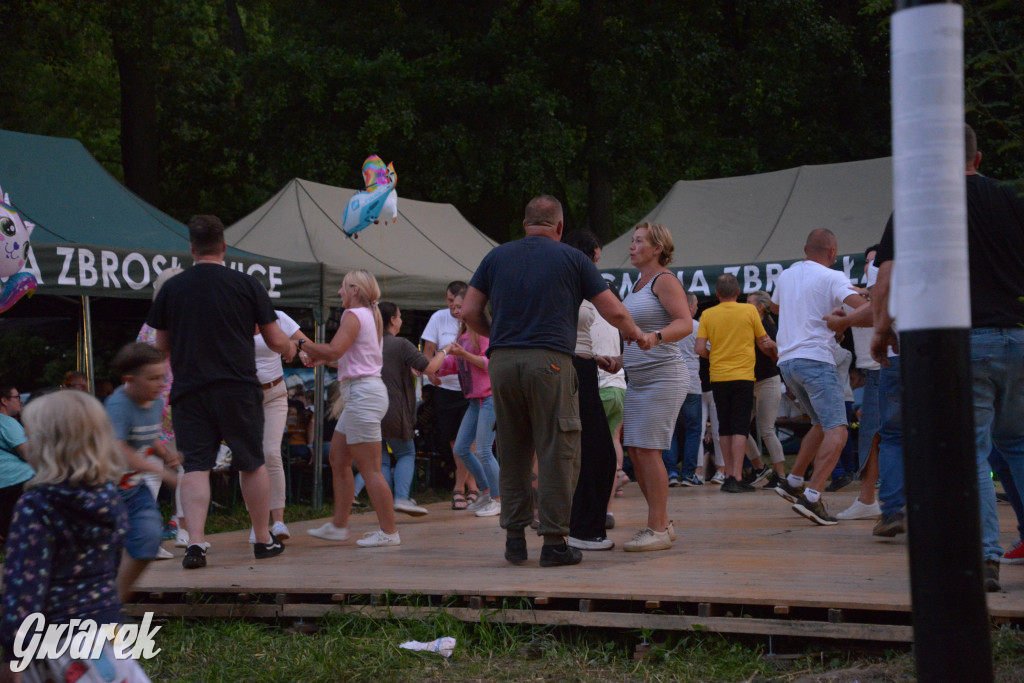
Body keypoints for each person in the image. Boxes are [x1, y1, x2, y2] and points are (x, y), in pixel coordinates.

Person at [461, 195, 645, 567]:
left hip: (502, 361)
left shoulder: (495, 257)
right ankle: (555, 543)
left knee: (512, 449)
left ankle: (514, 539)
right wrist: (638, 336)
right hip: (551, 363)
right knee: (557, 449)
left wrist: (498, 336)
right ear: (559, 227)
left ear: (524, 223)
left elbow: (468, 311)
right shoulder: (572, 258)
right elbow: (614, 310)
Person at [147, 214, 295, 569]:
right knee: (251, 462)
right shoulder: (247, 284)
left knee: (196, 466)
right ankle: (262, 539)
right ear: (224, 246)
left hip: (190, 390)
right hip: (238, 388)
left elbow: (161, 345)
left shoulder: (172, 288)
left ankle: (196, 544)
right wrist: (291, 350)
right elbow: (275, 340)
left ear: (192, 248)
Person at [1, 390, 150, 682]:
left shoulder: (37, 505)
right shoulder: (109, 496)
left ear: (45, 446)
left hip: (54, 646)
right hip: (106, 635)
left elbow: (23, 590)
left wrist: (12, 656)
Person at [771, 228, 868, 525]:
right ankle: (812, 498)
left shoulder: (786, 276)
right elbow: (864, 309)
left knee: (818, 423)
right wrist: (843, 319)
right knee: (838, 430)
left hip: (787, 362)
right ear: (832, 253)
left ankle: (793, 480)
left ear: (805, 249)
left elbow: (775, 306)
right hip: (816, 359)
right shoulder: (833, 277)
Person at [302, 270, 399, 547]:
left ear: (355, 290)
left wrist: (301, 343)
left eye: (343, 287)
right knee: (338, 459)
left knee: (370, 469)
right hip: (364, 392)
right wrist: (322, 359)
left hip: (362, 396)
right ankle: (339, 525)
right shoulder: (369, 315)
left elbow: (334, 351)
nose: (339, 292)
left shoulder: (353, 315)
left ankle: (389, 533)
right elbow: (348, 358)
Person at [619, 222, 693, 551]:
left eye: (639, 241)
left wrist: (657, 336)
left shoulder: (664, 280)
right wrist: (618, 359)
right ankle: (661, 522)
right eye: (632, 241)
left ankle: (658, 528)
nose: (632, 246)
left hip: (664, 375)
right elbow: (635, 332)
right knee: (637, 452)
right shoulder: (637, 285)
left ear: (657, 248)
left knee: (648, 451)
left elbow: (685, 323)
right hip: (638, 378)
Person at [105, 343, 182, 598]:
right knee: (104, 552)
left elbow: (148, 437)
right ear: (129, 380)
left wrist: (166, 455)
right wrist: (154, 468)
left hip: (134, 489)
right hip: (105, 492)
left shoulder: (156, 402)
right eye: (153, 378)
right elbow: (117, 447)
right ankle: (99, 605)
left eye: (163, 377)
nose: (161, 384)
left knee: (149, 540)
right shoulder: (118, 405)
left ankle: (114, 602)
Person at [561, 230, 617, 551]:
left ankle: (576, 524)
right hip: (572, 369)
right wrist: (638, 333)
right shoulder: (578, 279)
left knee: (589, 451)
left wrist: (596, 357)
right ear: (589, 254)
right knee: (597, 453)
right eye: (597, 258)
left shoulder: (569, 280)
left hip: (583, 366)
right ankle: (584, 528)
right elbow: (615, 313)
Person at [695, 274, 777, 493]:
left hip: (719, 376)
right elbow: (762, 342)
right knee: (740, 426)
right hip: (743, 375)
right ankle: (736, 475)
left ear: (718, 294)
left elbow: (699, 349)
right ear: (738, 293)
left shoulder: (708, 314)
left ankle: (727, 475)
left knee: (725, 425)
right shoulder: (749, 310)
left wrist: (714, 355)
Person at [379, 301, 446, 516]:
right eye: (399, 316)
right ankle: (401, 498)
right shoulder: (401, 344)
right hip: (394, 410)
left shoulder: (368, 344)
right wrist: (445, 350)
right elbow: (430, 366)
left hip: (368, 409)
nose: (401, 320)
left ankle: (386, 504)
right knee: (406, 453)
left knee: (380, 459)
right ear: (391, 320)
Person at [137, 266, 188, 548]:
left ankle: (149, 536)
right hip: (181, 402)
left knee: (153, 468)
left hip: (154, 405)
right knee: (184, 465)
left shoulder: (148, 327)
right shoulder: (187, 322)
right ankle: (183, 528)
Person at [251, 309, 313, 543]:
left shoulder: (276, 316)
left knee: (271, 454)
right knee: (250, 457)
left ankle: (278, 521)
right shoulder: (234, 316)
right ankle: (257, 523)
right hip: (246, 395)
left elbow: (304, 341)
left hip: (275, 392)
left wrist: (302, 351)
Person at [437, 304, 501, 519]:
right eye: (453, 306)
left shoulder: (485, 336)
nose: (456, 311)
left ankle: (500, 499)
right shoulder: (463, 337)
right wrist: (429, 368)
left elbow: (489, 363)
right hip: (475, 402)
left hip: (490, 398)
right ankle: (486, 492)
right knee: (461, 448)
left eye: (460, 307)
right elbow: (453, 364)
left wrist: (462, 353)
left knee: (483, 450)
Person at [421, 281, 477, 509]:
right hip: (446, 387)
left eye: (457, 303)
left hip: (470, 389)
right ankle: (472, 486)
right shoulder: (438, 318)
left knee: (468, 442)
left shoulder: (474, 320)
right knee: (455, 441)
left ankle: (460, 488)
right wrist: (430, 374)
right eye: (449, 302)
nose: (453, 307)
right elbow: (427, 353)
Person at [743, 290, 787, 487]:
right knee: (740, 429)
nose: (745, 305)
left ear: (760, 307)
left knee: (766, 428)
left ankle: (781, 475)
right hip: (749, 380)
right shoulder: (747, 325)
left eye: (748, 302)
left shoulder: (769, 326)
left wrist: (773, 345)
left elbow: (780, 357)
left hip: (768, 380)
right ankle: (760, 467)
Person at [664, 292, 705, 489]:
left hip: (669, 381)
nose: (697, 308)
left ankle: (671, 472)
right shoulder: (696, 326)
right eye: (696, 304)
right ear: (689, 305)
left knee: (669, 430)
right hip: (691, 383)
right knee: (693, 429)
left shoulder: (667, 327)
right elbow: (708, 350)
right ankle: (689, 474)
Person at [0, 383, 33, 543]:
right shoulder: (6, 422)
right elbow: (28, 453)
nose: (20, 401)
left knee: (10, 535)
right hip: (17, 483)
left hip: (3, 486)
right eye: (16, 397)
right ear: (4, 401)